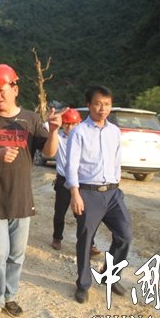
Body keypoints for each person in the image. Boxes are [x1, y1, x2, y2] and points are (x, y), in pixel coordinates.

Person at [0, 64, 61, 318]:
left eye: (1, 89)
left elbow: (49, 152)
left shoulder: (31, 120)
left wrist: (53, 131)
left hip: (21, 199)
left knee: (16, 255)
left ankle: (10, 296)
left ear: (15, 89)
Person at [64, 85, 132, 304]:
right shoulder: (79, 132)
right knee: (86, 240)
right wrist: (75, 194)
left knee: (124, 235)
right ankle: (83, 284)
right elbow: (71, 165)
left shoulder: (114, 131)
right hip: (88, 193)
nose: (103, 109)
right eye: (98, 104)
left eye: (107, 104)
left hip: (112, 193)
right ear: (89, 105)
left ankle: (110, 276)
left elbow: (117, 160)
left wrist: (117, 184)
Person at [50, 108, 102, 256]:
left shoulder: (84, 138)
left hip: (81, 182)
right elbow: (47, 127)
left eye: (73, 124)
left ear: (79, 123)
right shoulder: (59, 138)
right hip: (63, 181)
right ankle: (57, 237)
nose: (70, 127)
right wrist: (57, 117)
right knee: (60, 213)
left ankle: (88, 244)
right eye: (66, 124)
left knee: (83, 215)